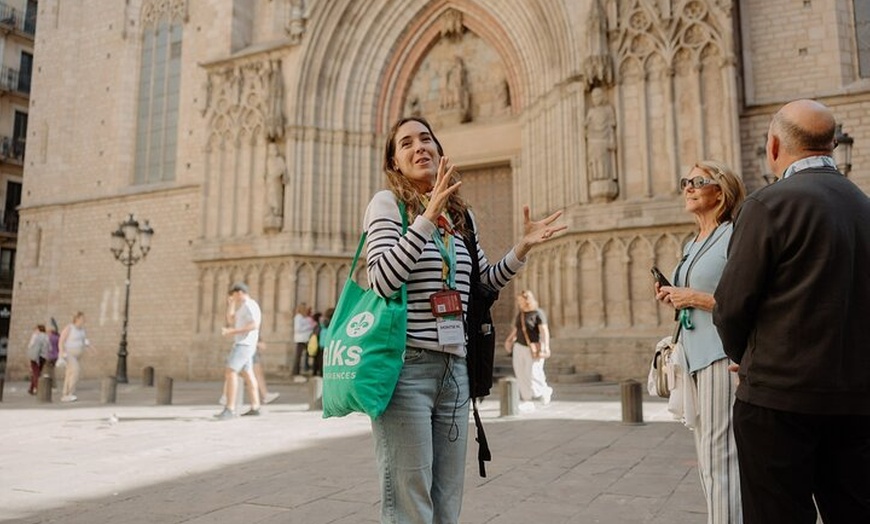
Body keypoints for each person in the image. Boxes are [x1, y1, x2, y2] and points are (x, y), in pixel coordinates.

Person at [364, 115, 565, 523]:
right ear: (395, 162)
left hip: (455, 369)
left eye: (426, 139)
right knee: (410, 502)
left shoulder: (462, 218)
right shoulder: (387, 205)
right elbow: (383, 279)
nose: (419, 147)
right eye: (406, 143)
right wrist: (425, 217)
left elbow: (482, 287)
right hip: (407, 369)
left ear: (440, 152)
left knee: (447, 500)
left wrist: (521, 248)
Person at [713, 99, 870, 524]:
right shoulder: (864, 205)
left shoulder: (768, 205)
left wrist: (745, 356)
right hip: (856, 400)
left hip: (778, 400)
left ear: (774, 146)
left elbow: (731, 306)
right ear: (833, 145)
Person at [654, 160, 746, 524]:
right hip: (691, 357)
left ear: (720, 192)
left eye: (698, 181)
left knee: (718, 456)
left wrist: (693, 297)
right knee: (708, 456)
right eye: (685, 182)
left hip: (720, 356)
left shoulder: (734, 236)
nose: (688, 187)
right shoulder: (693, 241)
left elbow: (744, 301)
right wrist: (672, 295)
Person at [215, 283, 262, 419]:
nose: (233, 297)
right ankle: (255, 406)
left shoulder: (250, 305)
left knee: (231, 371)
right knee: (247, 373)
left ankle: (230, 408)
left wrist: (233, 331)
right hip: (244, 344)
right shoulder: (243, 307)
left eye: (234, 295)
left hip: (244, 344)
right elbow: (230, 319)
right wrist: (231, 304)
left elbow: (254, 325)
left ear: (240, 292)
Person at [502, 290, 553, 410]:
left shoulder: (538, 313)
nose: (519, 302)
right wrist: (508, 341)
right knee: (521, 373)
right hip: (519, 347)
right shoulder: (521, 314)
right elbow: (516, 330)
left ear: (527, 300)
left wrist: (545, 347)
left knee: (534, 373)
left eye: (521, 300)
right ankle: (527, 399)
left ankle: (544, 391)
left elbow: (544, 331)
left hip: (533, 348)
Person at [58, 312, 92, 402]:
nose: (83, 320)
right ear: (76, 319)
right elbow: (61, 340)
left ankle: (65, 393)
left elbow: (84, 340)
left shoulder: (82, 330)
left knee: (69, 373)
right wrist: (61, 353)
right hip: (69, 353)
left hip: (78, 354)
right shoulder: (69, 328)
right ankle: (69, 393)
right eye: (82, 318)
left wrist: (90, 348)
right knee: (75, 371)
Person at [292, 303, 315, 379]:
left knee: (307, 355)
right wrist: (309, 327)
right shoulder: (298, 317)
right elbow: (298, 329)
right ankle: (296, 372)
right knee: (298, 356)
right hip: (301, 339)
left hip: (305, 339)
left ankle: (305, 369)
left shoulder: (303, 317)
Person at [26, 324, 49, 395]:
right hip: (43, 357)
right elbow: (49, 347)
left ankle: (37, 388)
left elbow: (31, 345)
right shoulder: (46, 336)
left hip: (35, 356)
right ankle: (31, 388)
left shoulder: (36, 336)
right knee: (37, 372)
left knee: (36, 373)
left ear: (39, 329)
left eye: (36, 329)